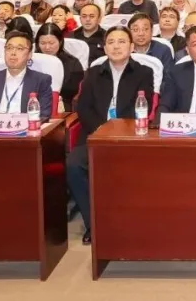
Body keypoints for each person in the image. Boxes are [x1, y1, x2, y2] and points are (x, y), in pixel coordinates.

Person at [67, 26, 155, 245]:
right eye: (111, 42)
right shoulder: (93, 73)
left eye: (122, 42)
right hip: (94, 135)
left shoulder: (144, 73)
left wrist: (117, 132)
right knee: (73, 165)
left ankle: (130, 221)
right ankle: (94, 223)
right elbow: (84, 108)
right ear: (104, 48)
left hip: (129, 138)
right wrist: (102, 132)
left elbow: (140, 109)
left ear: (132, 47)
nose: (116, 46)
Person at [0, 32, 54, 121]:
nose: (13, 53)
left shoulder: (41, 81)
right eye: (9, 48)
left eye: (19, 49)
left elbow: (43, 116)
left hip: (26, 128)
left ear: (29, 54)